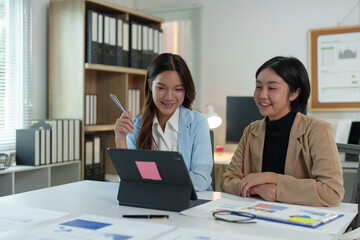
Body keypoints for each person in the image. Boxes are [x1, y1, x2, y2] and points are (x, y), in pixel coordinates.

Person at [220, 56, 344, 207]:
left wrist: (272, 179)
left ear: (294, 93)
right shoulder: (251, 131)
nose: (262, 95)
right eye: (258, 87)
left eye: (272, 88)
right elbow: (227, 181)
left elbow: (332, 192)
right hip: (256, 215)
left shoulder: (318, 130)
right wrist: (258, 188)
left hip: (300, 220)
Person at [114, 53, 213, 191]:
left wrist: (154, 179)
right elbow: (128, 179)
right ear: (150, 85)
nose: (169, 97)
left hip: (190, 204)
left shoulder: (198, 122)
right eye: (161, 88)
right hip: (150, 203)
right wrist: (120, 139)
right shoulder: (136, 125)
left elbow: (201, 179)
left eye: (178, 89)